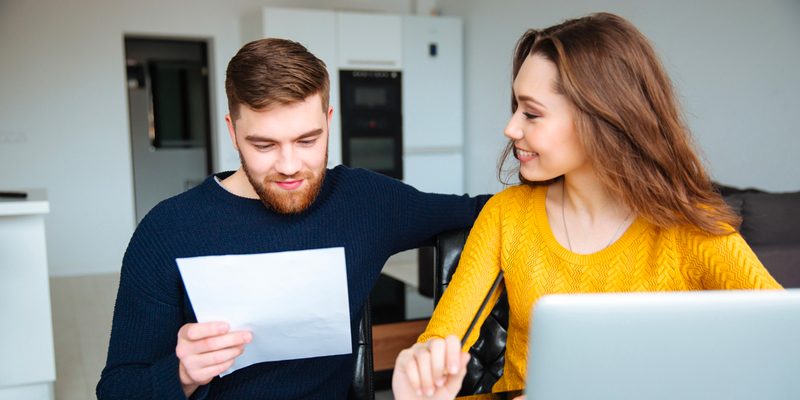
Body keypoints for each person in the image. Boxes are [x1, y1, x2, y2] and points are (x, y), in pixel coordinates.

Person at [392, 12, 782, 400]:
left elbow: (782, 341)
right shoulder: (506, 215)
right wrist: (423, 369)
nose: (511, 128)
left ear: (602, 118)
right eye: (515, 107)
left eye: (531, 113)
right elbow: (442, 338)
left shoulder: (691, 228)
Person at [96, 38, 489, 400]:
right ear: (233, 133)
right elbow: (116, 388)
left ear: (329, 121)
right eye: (264, 145)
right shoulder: (167, 230)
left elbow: (482, 210)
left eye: (307, 141)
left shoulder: (365, 201)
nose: (289, 166)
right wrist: (182, 374)